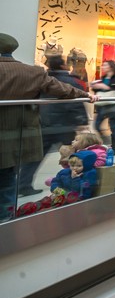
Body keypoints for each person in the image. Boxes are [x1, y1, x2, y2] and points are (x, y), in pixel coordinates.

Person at [0, 33, 94, 218]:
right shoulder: (32, 72)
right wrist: (86, 95)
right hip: (16, 135)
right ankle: (6, 220)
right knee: (7, 179)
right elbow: (63, 89)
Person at [17, 56, 90, 196]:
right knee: (75, 154)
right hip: (65, 124)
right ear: (63, 66)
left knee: (36, 156)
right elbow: (76, 102)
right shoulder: (70, 81)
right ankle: (78, 181)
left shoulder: (42, 80)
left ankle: (23, 184)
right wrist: (82, 121)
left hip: (45, 124)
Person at [91, 60, 115, 154]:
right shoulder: (103, 78)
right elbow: (97, 91)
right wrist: (95, 86)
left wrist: (106, 87)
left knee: (114, 127)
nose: (102, 67)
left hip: (114, 107)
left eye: (105, 65)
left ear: (111, 66)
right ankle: (105, 142)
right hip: (102, 106)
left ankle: (114, 148)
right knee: (96, 125)